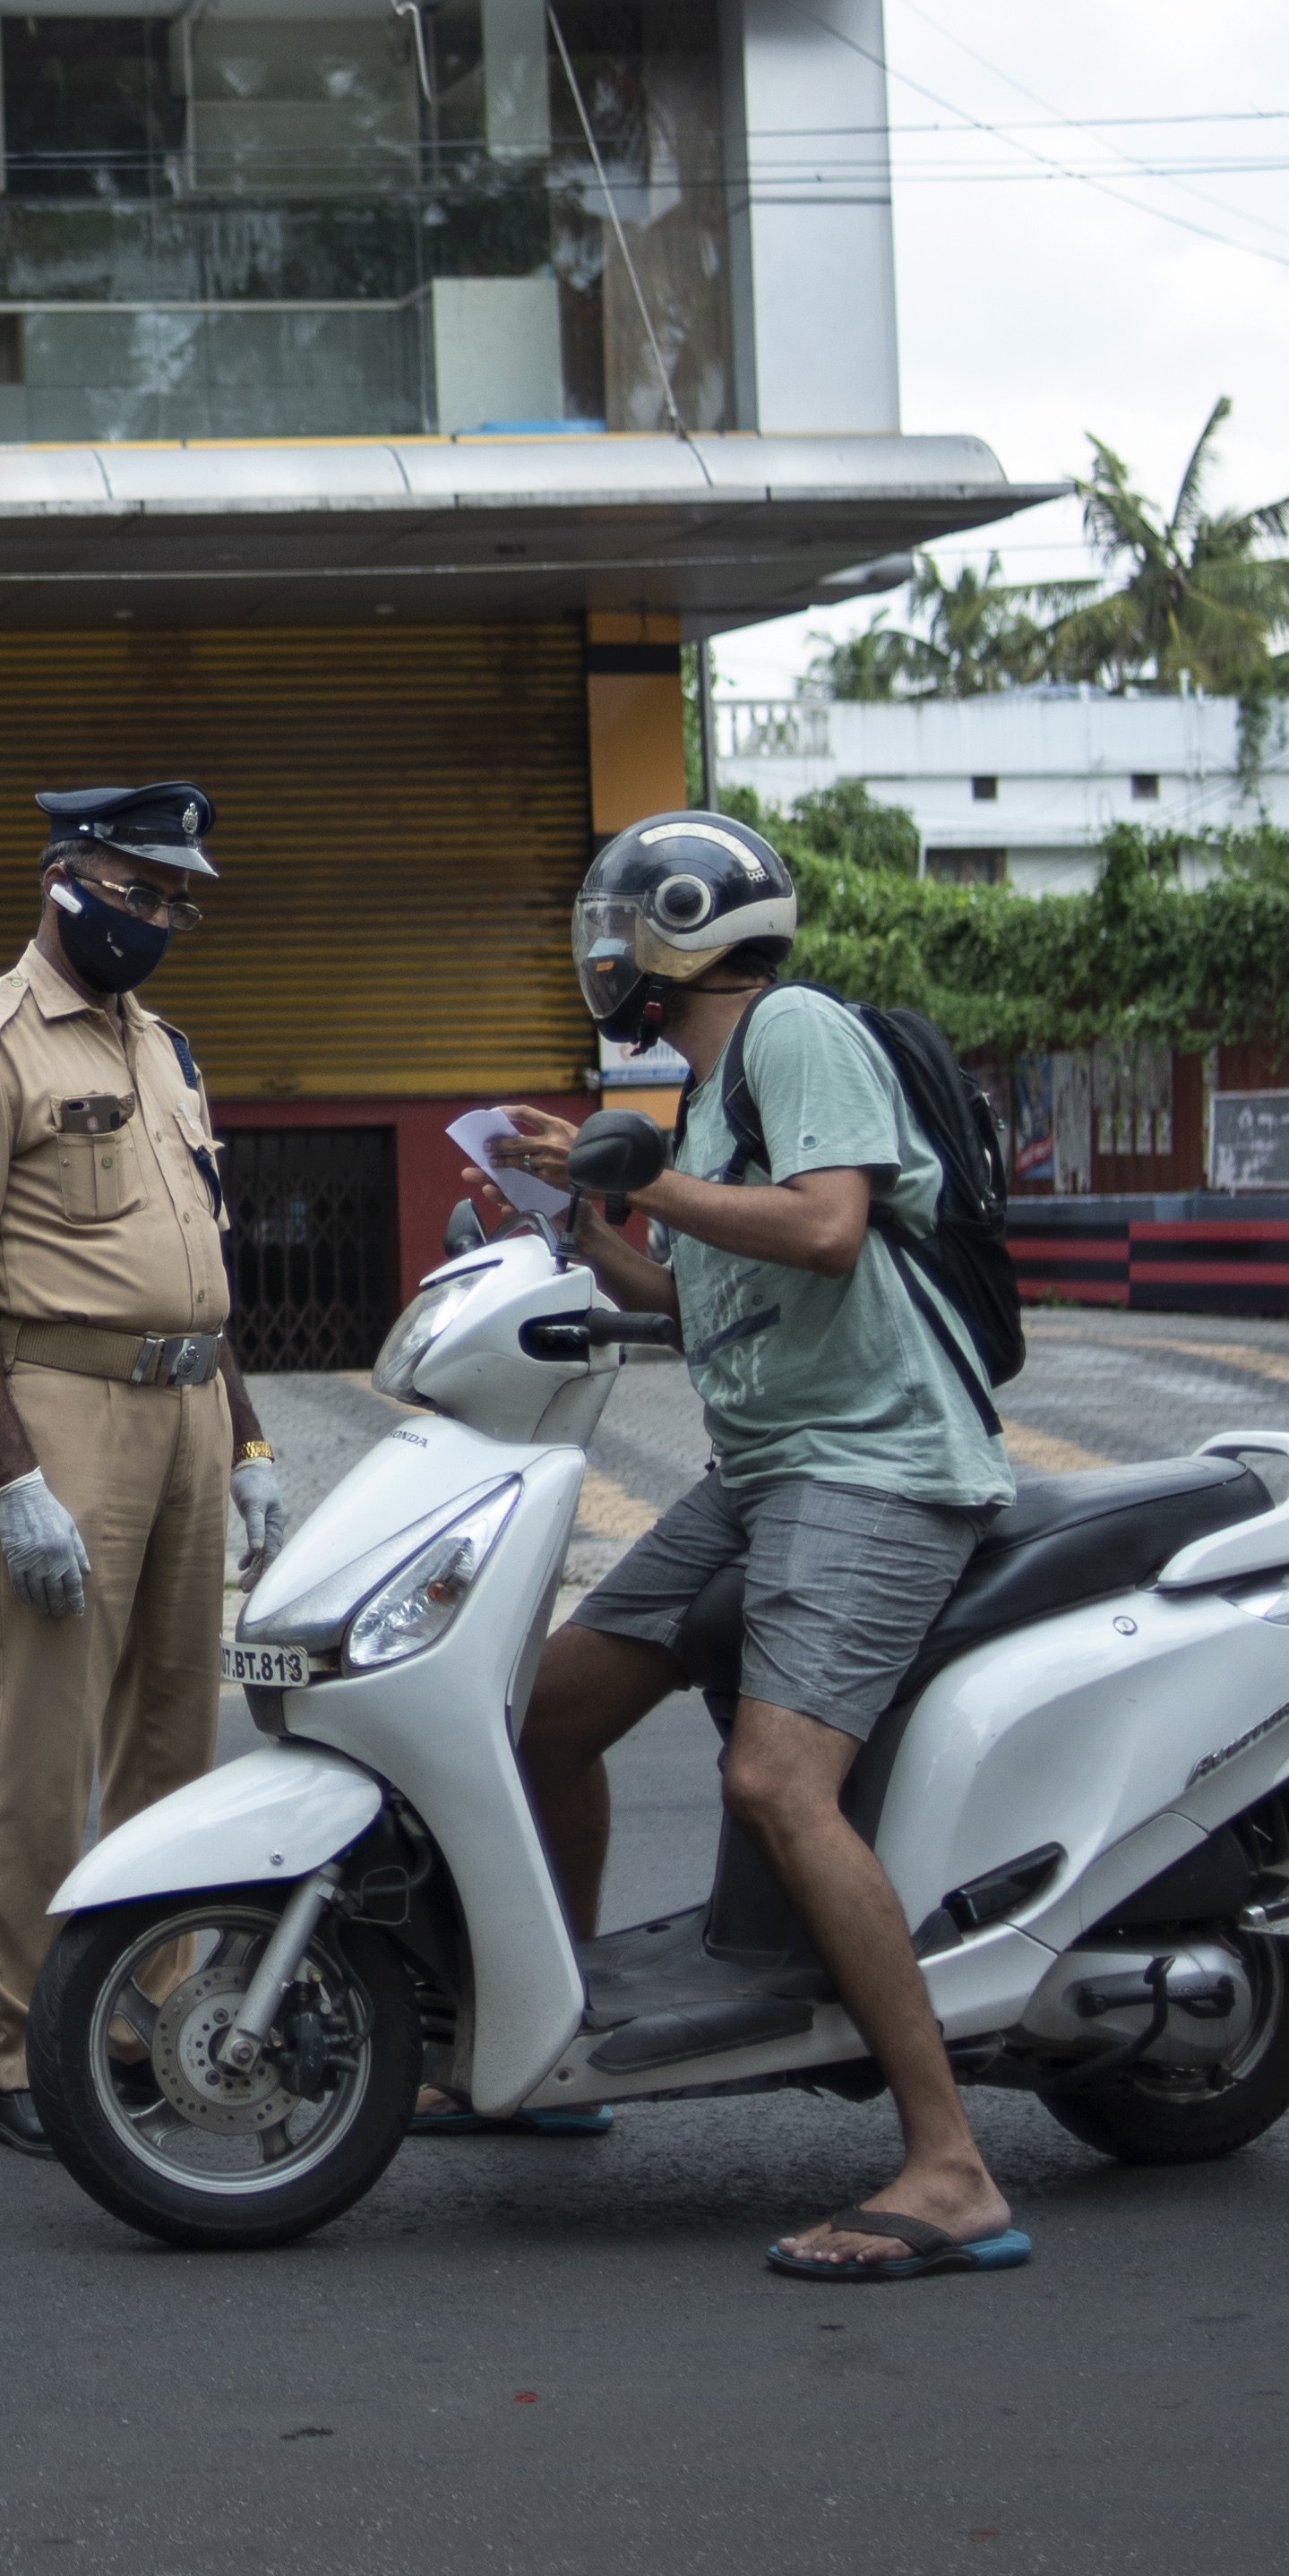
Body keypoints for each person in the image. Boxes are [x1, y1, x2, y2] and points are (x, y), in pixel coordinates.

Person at [462, 807, 1030, 2284]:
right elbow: (692, 1292)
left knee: (779, 1781)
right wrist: (586, 1221)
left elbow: (829, 1227)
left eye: (625, 920)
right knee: (540, 1719)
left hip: (876, 1465)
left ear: (687, 925)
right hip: (764, 1464)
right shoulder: (705, 1097)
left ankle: (949, 2163)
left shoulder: (791, 1031)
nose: (606, 949)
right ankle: (555, 2044)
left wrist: (640, 1176)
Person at [0, 781, 294, 2158]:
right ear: (65, 876)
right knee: (43, 1746)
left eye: (175, 897)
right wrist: (13, 1481)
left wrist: (246, 1441)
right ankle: (14, 2054)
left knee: (174, 1751)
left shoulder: (165, 1050)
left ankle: (138, 2023)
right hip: (60, 1407)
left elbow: (202, 1271)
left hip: (187, 1410)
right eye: (139, 889)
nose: (161, 917)